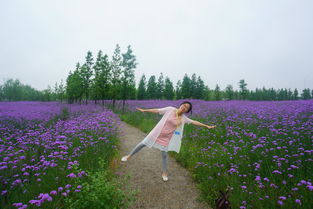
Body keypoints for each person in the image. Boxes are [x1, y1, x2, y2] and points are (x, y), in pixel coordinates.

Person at [121, 101, 216, 181]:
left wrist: (206, 126)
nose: (184, 107)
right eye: (184, 105)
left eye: (187, 108)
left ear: (187, 111)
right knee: (142, 144)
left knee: (164, 155)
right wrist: (145, 110)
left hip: (166, 138)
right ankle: (129, 156)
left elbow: (194, 122)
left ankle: (164, 172)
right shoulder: (170, 109)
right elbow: (157, 110)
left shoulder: (183, 118)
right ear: (181, 105)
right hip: (156, 133)